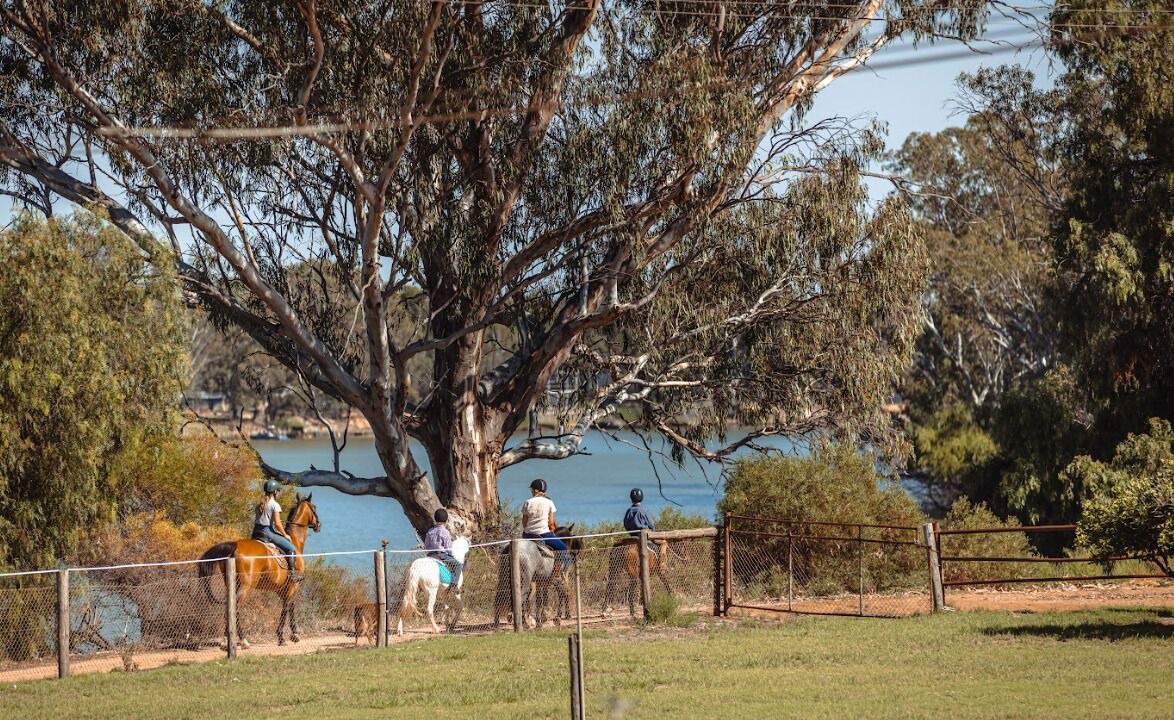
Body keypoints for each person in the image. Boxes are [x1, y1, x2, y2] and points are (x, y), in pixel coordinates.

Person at [252, 479, 303, 581]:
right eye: (278, 491)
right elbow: (278, 524)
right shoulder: (274, 505)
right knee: (291, 548)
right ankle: (292, 574)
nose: (279, 493)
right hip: (267, 532)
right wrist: (285, 535)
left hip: (256, 532)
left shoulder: (260, 504)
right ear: (275, 492)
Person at [521, 478, 571, 569]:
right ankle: (556, 573)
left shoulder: (527, 502)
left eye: (532, 489)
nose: (531, 491)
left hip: (528, 535)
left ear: (535, 490)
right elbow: (551, 523)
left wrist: (528, 530)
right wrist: (552, 532)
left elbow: (524, 522)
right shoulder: (549, 503)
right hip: (543, 534)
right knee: (563, 548)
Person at [423, 508, 461, 588]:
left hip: (430, 555)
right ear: (446, 520)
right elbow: (448, 548)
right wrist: (452, 556)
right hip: (441, 555)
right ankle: (453, 586)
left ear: (435, 519)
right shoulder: (445, 532)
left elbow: (426, 546)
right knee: (458, 565)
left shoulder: (430, 531)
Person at [623, 487, 658, 556]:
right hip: (644, 538)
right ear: (642, 498)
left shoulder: (628, 511)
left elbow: (625, 524)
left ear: (631, 498)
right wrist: (653, 530)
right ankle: (661, 565)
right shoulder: (643, 511)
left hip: (632, 536)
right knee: (656, 549)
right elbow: (651, 525)